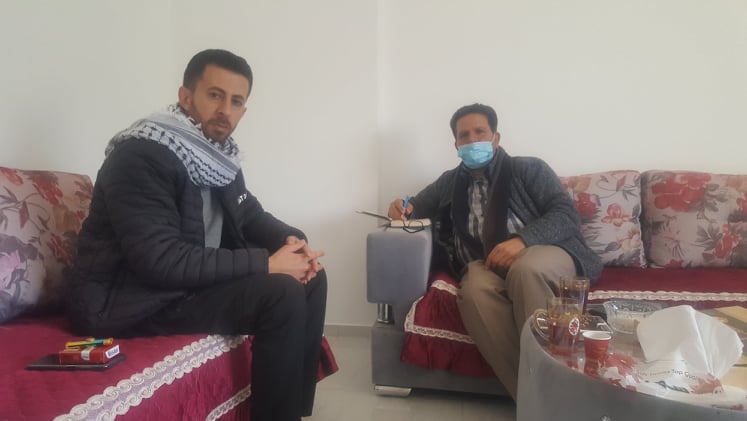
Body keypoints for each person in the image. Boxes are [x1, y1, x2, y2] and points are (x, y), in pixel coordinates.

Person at [66, 49, 327, 421]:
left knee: (311, 278)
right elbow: (160, 261)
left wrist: (295, 244)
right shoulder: (140, 156)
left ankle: (294, 410)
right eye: (215, 95)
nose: (225, 110)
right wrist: (267, 264)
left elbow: (249, 213)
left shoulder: (218, 156)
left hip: (188, 286)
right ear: (186, 97)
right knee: (280, 292)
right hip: (134, 300)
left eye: (236, 101)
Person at [387, 103, 602, 400]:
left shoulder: (529, 169)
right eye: (464, 136)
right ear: (456, 145)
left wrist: (523, 240)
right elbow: (415, 206)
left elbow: (566, 215)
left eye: (480, 132)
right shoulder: (450, 182)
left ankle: (558, 393)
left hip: (543, 251)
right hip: (485, 264)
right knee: (474, 291)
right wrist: (401, 207)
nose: (472, 140)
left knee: (526, 269)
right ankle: (533, 399)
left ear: (496, 137)